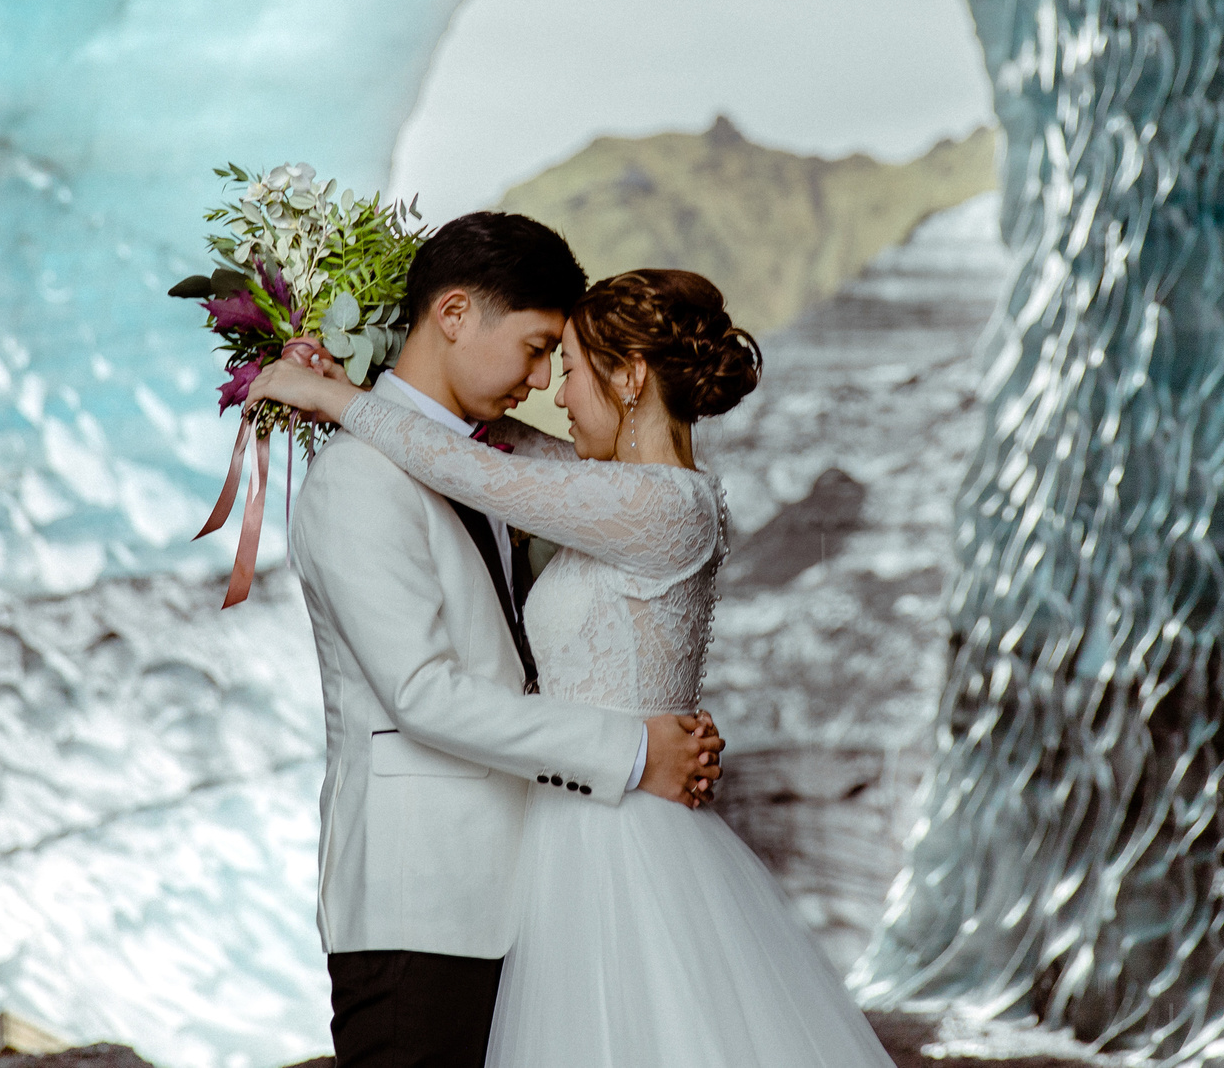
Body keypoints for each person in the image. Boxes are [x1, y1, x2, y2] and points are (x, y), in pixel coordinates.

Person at [253, 266, 896, 1068]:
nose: (556, 397)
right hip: (565, 825)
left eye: (571, 373)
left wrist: (339, 401)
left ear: (629, 377)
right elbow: (492, 444)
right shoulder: (625, 491)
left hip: (616, 841)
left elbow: (484, 472)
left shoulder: (663, 504)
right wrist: (376, 381)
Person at [276, 213, 726, 1068]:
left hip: (529, 893)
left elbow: (501, 474)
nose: (543, 380)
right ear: (452, 315)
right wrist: (635, 747)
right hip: (424, 901)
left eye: (562, 360)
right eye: (533, 348)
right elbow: (423, 696)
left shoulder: (489, 470)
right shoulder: (362, 478)